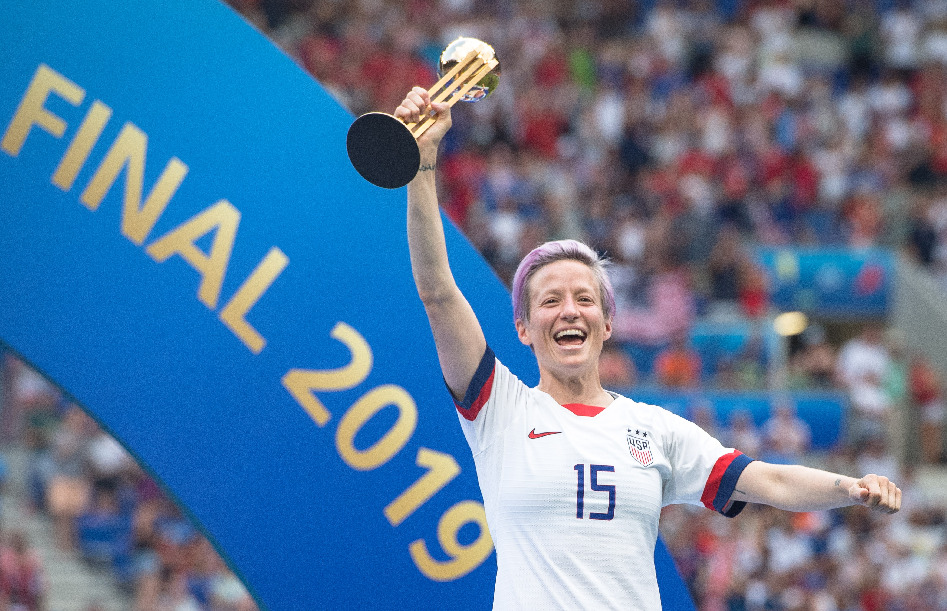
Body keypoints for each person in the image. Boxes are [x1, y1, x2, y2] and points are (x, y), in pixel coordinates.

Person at [396, 87, 902, 610]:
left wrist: (850, 488)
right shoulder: (499, 409)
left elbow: (767, 479)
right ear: (522, 328)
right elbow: (438, 292)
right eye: (550, 301)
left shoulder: (655, 430)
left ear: (608, 323)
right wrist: (424, 164)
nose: (569, 311)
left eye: (584, 298)